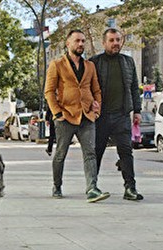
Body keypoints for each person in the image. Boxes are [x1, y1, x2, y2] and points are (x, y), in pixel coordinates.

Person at [44, 30, 109, 203]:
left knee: (90, 153)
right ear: (68, 44)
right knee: (60, 154)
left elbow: (96, 90)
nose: (81, 44)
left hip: (87, 116)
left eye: (83, 41)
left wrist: (97, 109)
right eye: (77, 41)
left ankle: (92, 189)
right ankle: (57, 185)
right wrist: (57, 113)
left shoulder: (89, 66)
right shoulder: (56, 64)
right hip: (65, 116)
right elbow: (49, 91)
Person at [90, 28, 144, 201]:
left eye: (118, 40)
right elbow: (86, 88)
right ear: (104, 42)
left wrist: (137, 110)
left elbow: (134, 87)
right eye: (112, 40)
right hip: (101, 117)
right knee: (96, 152)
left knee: (126, 152)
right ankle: (92, 187)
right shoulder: (94, 62)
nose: (115, 43)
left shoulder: (128, 62)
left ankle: (130, 188)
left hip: (122, 115)